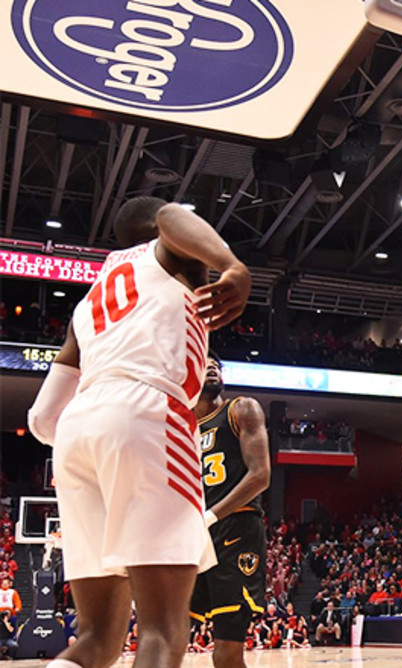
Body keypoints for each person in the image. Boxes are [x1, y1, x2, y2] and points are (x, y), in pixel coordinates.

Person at [27, 198, 250, 668]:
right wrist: (232, 265)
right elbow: (171, 216)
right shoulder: (172, 253)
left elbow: (42, 419)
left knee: (97, 640)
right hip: (148, 412)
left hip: (75, 431)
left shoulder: (88, 304)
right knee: (163, 632)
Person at [189, 353, 270, 668]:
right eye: (203, 361)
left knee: (225, 652)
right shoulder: (180, 427)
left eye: (217, 364)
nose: (212, 366)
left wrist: (209, 516)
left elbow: (260, 476)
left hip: (234, 531)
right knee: (167, 637)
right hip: (191, 535)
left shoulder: (240, 409)